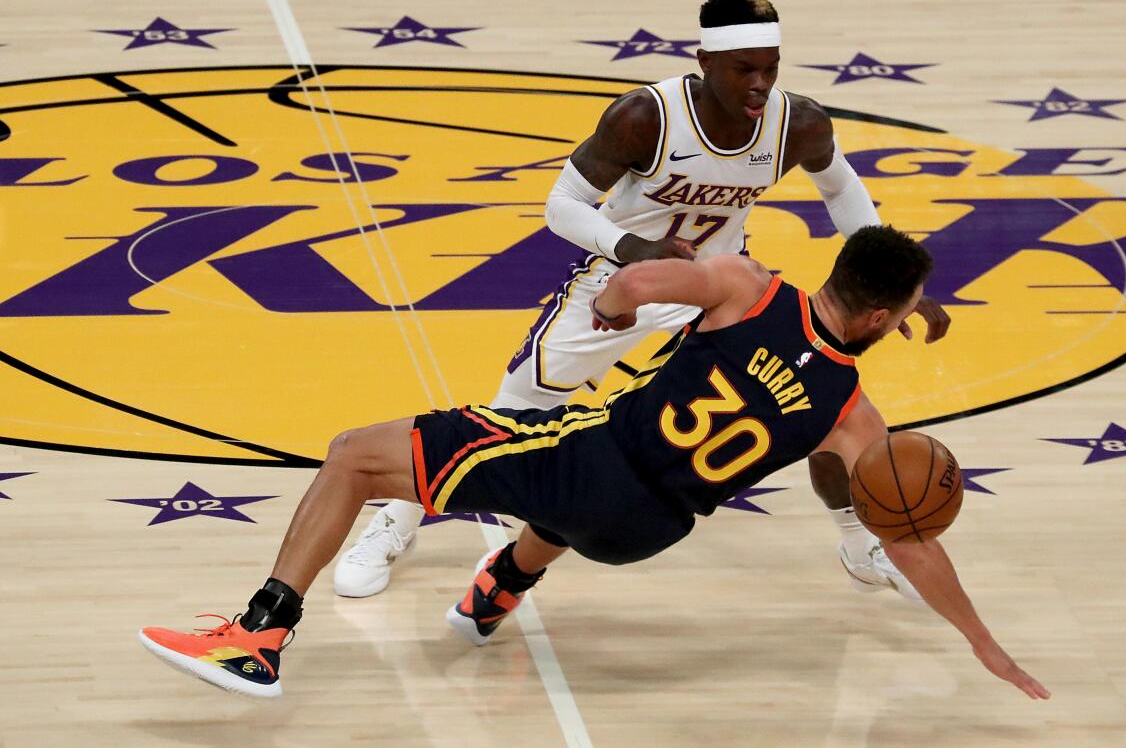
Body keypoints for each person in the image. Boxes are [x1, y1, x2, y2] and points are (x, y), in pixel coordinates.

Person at [139, 226, 1047, 702]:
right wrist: (982, 641)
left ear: (840, 272)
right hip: (645, 533)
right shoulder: (856, 419)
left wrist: (611, 308)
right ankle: (501, 587)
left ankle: (260, 635)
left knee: (353, 458)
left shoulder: (749, 287)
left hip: (585, 464)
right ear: (885, 318)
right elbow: (913, 537)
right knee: (569, 502)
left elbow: (641, 285)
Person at [334, 0, 951, 601]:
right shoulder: (644, 118)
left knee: (821, 407)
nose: (760, 85)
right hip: (623, 276)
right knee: (517, 404)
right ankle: (397, 518)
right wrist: (634, 251)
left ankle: (857, 539)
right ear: (705, 64)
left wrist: (894, 284)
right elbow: (562, 206)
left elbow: (841, 190)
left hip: (723, 287)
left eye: (771, 68)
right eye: (744, 70)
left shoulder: (799, 123)